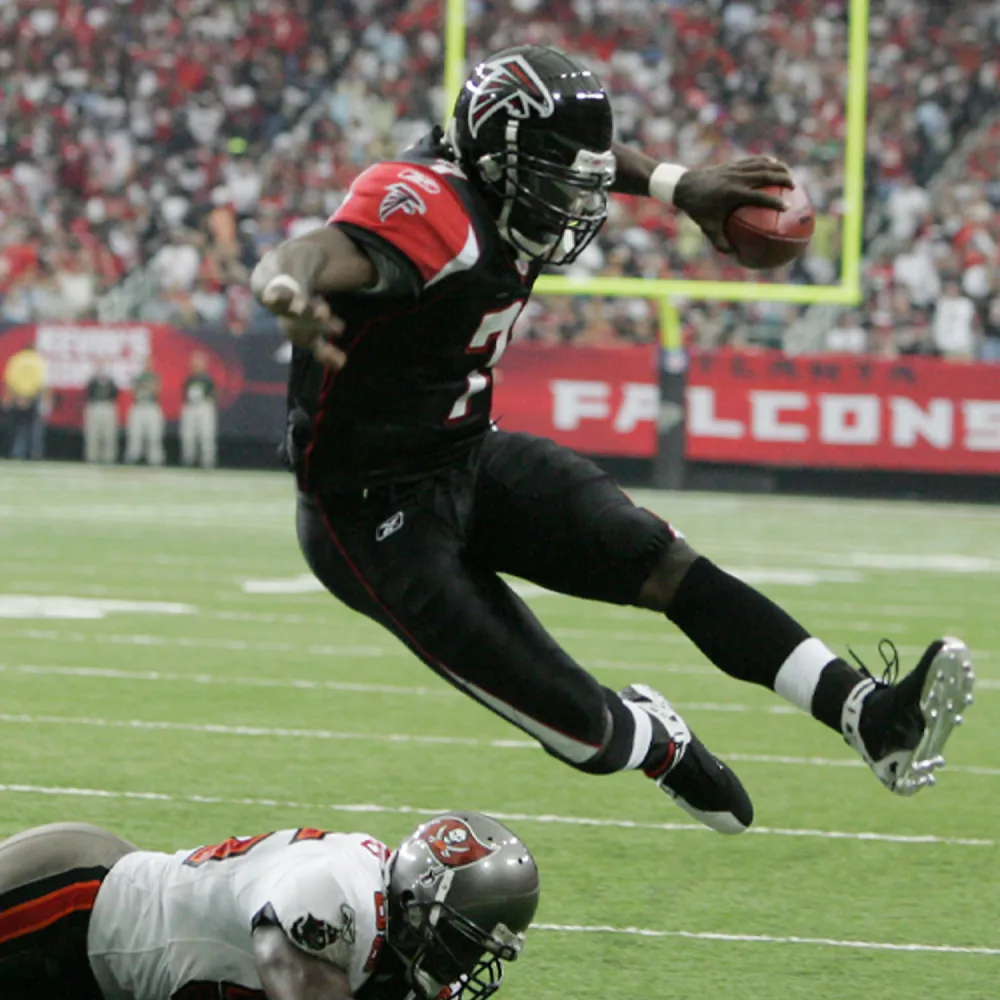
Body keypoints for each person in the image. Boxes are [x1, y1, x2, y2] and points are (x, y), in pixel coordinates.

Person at [251, 45, 974, 837]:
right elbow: (318, 250)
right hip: (373, 520)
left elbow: (591, 159)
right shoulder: (428, 208)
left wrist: (675, 183)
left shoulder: (502, 167)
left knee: (666, 564)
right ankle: (653, 739)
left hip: (469, 455)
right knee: (589, 735)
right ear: (500, 164)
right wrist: (288, 288)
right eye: (557, 185)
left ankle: (869, 715)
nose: (573, 207)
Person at [0, 811, 537, 1000]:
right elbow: (290, 972)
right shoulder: (337, 888)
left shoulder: (399, 950)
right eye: (461, 943)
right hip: (71, 900)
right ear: (420, 905)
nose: (462, 967)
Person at [1, 346, 49, 460]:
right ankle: (34, 454)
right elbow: (42, 383)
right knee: (34, 428)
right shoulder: (38, 361)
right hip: (33, 398)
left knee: (18, 428)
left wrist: (13, 398)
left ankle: (17, 452)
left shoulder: (16, 359)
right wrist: (44, 401)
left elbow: (9, 381)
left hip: (16, 397)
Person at [180, 350, 218, 468]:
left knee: (206, 435)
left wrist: (209, 401)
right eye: (195, 363)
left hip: (204, 407)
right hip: (191, 407)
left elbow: (214, 394)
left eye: (199, 363)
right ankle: (188, 460)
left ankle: (207, 461)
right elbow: (184, 394)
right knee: (188, 436)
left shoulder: (208, 379)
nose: (196, 365)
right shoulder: (189, 379)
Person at [125, 359, 165, 466]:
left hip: (151, 406)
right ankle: (133, 458)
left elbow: (157, 390)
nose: (148, 365)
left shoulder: (155, 377)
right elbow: (134, 391)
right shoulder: (138, 377)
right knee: (135, 435)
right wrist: (144, 387)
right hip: (139, 406)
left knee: (153, 436)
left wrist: (145, 387)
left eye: (150, 363)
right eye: (146, 363)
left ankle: (155, 460)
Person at [83, 361, 120, 464]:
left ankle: (109, 458)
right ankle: (92, 458)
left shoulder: (111, 382)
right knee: (93, 434)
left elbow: (115, 394)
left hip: (107, 406)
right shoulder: (92, 381)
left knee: (108, 435)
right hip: (95, 406)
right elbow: (88, 393)